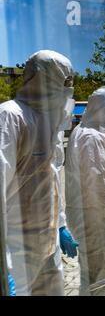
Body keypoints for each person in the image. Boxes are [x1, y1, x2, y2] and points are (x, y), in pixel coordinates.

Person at [0, 50, 79, 296]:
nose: (70, 90)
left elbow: (52, 181)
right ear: (45, 79)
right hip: (16, 250)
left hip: (48, 244)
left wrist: (61, 225)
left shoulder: (51, 125)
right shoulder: (11, 116)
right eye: (65, 81)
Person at [65, 87, 105, 296]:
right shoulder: (90, 137)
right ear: (102, 109)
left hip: (99, 218)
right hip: (95, 219)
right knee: (97, 280)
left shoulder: (94, 133)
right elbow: (98, 186)